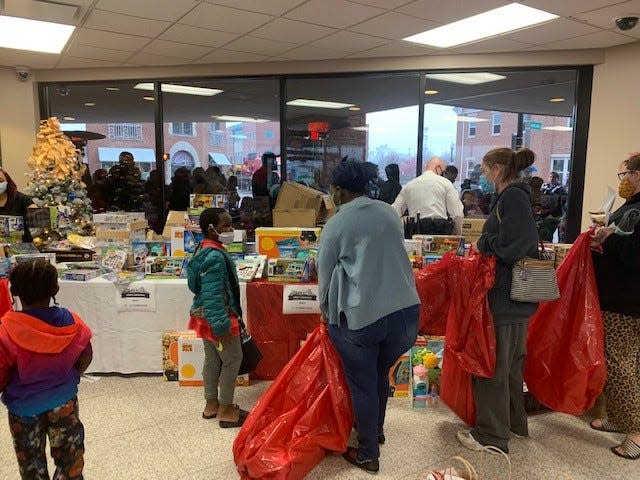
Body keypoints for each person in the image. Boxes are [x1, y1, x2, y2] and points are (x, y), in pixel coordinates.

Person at [318, 159, 420, 473]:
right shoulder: (389, 211)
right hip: (405, 314)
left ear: (337, 190)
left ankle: (367, 453)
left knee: (363, 383)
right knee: (378, 375)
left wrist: (325, 314)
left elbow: (325, 275)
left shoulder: (336, 224)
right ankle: (376, 430)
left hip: (363, 317)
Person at [456, 147, 539, 455]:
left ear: (499, 169)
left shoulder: (512, 197)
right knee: (511, 366)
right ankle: (514, 424)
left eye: (486, 169)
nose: (484, 174)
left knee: (492, 365)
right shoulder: (518, 195)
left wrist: (484, 242)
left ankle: (492, 435)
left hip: (505, 296)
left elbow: (517, 244)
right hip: (517, 297)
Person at [0, 259, 93, 479]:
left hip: (23, 409)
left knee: (31, 464)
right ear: (56, 289)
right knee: (70, 461)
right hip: (64, 402)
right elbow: (86, 354)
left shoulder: (6, 330)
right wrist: (73, 376)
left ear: (14, 291)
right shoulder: (71, 321)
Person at [590, 152, 640, 459]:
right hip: (624, 298)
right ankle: (622, 419)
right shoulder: (633, 206)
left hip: (626, 302)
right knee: (630, 365)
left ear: (637, 175)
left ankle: (635, 432)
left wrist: (608, 237)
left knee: (621, 367)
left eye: (624, 176)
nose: (621, 182)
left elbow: (635, 254)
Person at [186, 208, 248, 428]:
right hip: (217, 318)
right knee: (232, 360)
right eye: (225, 226)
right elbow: (214, 295)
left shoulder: (202, 250)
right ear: (210, 229)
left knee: (212, 360)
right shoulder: (215, 257)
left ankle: (211, 404)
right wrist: (221, 325)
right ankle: (226, 409)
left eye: (231, 224)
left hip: (203, 317)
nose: (230, 230)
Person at [392, 157, 464, 234]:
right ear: (438, 168)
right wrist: (457, 235)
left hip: (415, 233)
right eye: (443, 172)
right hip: (439, 233)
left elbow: (393, 212)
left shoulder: (409, 186)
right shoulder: (446, 184)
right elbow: (457, 214)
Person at [0, 169, 34, 242]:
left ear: (7, 182)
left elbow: (36, 213)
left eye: (0, 181)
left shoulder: (21, 198)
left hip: (23, 246)